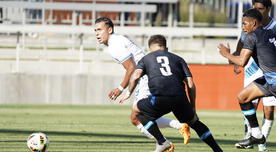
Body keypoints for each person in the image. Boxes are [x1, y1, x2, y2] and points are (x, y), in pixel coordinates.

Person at [93, 17, 190, 143]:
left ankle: (166, 141)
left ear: (110, 29)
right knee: (137, 117)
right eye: (95, 30)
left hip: (145, 76)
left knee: (138, 116)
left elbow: (132, 67)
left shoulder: (114, 45)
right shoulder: (118, 39)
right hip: (149, 74)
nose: (97, 33)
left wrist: (121, 88)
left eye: (100, 30)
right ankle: (173, 133)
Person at [120, 35, 223, 152]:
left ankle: (162, 142)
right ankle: (218, 150)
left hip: (159, 98)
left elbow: (135, 76)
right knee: (194, 122)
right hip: (179, 98)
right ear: (166, 48)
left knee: (137, 111)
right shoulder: (179, 59)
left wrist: (128, 92)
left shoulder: (147, 58)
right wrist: (192, 107)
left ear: (150, 48)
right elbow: (190, 84)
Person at [218, 8, 276, 148]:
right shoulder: (270, 33)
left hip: (273, 80)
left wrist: (226, 54)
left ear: (254, 23)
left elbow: (242, 62)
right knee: (243, 97)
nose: (242, 27)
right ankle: (256, 135)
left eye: (244, 23)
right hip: (269, 79)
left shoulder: (252, 36)